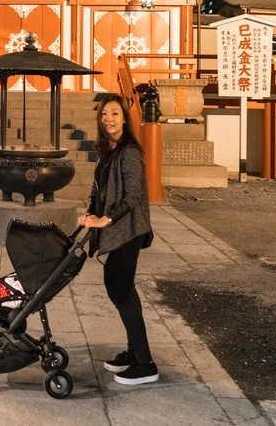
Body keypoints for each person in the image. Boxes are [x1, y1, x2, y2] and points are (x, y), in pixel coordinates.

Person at [77, 93, 157, 386]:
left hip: (129, 230)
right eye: (103, 114)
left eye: (114, 113)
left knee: (120, 289)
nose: (108, 119)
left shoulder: (130, 153)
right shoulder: (108, 151)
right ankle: (136, 353)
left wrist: (105, 220)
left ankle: (146, 364)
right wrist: (89, 214)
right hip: (117, 229)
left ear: (125, 118)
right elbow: (98, 190)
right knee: (124, 291)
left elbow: (133, 196)